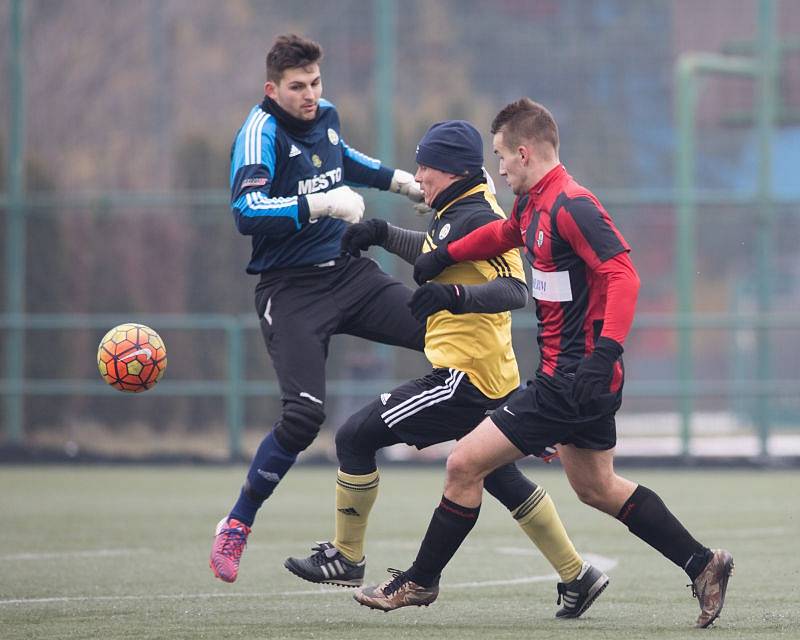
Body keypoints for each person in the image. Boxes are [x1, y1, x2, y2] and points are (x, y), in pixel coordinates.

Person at [356, 99, 734, 630]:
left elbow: (624, 275)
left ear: (525, 152)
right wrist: (443, 257)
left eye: (501, 157)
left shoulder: (572, 205)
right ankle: (704, 564)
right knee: (597, 487)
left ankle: (419, 581)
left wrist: (606, 353)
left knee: (464, 464)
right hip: (579, 379)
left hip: (573, 378)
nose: (499, 168)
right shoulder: (533, 204)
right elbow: (502, 236)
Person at [283, 120, 608, 619]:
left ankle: (346, 559)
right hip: (484, 373)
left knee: (353, 436)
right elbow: (442, 252)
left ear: (452, 170)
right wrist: (384, 234)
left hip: (463, 378)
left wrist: (454, 298)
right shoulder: (457, 209)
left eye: (425, 166)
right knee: (501, 479)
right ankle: (577, 574)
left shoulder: (476, 213)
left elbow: (514, 289)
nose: (418, 176)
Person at [209, 34, 428, 583]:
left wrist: (400, 182)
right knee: (305, 416)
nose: (310, 95)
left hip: (348, 273)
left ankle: (514, 428)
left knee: (441, 330)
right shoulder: (259, 134)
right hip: (290, 291)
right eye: (298, 87)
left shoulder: (325, 115)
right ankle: (237, 524)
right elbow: (246, 210)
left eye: (315, 83)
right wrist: (318, 204)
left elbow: (341, 158)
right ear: (272, 89)